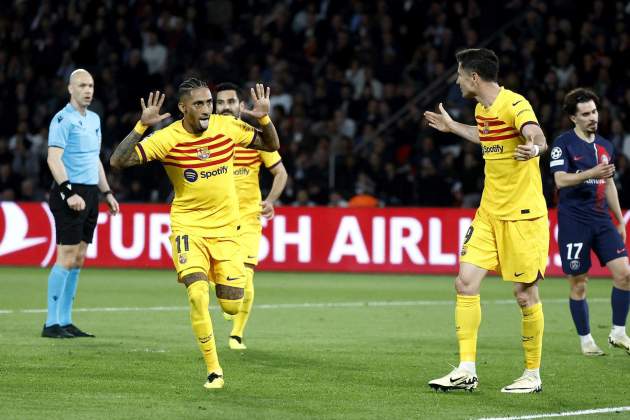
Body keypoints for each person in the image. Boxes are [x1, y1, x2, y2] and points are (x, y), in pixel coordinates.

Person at [110, 79, 279, 389]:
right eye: (199, 104)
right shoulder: (167, 138)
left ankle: (216, 275)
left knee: (230, 304)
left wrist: (264, 118)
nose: (206, 109)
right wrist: (140, 126)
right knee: (197, 294)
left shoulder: (225, 127)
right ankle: (214, 370)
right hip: (188, 227)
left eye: (209, 103)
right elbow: (118, 161)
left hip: (227, 230)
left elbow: (271, 146)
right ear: (183, 107)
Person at [424, 48, 549, 393]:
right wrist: (452, 127)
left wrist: (534, 149)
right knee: (465, 283)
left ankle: (532, 374)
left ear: (474, 77)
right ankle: (466, 370)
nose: (457, 80)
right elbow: (485, 137)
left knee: (525, 295)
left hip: (523, 216)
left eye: (460, 74)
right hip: (489, 213)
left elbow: (536, 135)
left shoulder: (515, 103)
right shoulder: (481, 109)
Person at [549, 88, 630, 356]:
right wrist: (591, 172)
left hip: (601, 220)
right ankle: (586, 341)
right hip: (574, 221)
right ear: (573, 117)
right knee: (579, 283)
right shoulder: (563, 144)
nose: (592, 117)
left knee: (625, 275)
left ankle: (618, 332)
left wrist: (619, 220)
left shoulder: (606, 145)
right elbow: (560, 180)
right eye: (585, 114)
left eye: (594, 112)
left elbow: (609, 185)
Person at [43, 69, 119, 339]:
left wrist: (107, 192)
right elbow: (54, 159)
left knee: (79, 258)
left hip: (90, 194)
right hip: (70, 194)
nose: (88, 90)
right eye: (82, 85)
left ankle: (65, 320)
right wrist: (68, 192)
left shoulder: (95, 119)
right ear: (70, 89)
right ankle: (51, 323)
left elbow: (94, 158)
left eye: (91, 85)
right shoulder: (62, 119)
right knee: (65, 256)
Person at [214, 82, 288, 350]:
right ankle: (227, 297)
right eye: (220, 103)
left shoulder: (254, 137)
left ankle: (237, 333)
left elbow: (281, 173)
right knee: (217, 275)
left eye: (230, 102)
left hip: (247, 219)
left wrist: (270, 200)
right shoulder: (204, 136)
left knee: (246, 274)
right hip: (214, 220)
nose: (225, 107)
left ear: (240, 106)